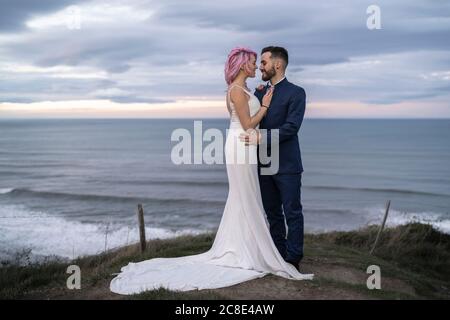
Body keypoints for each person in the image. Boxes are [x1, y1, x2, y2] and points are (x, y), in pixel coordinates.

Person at [109, 46, 312, 295]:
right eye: (256, 63)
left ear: (277, 65)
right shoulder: (257, 91)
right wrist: (262, 111)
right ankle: (276, 254)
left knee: (292, 210)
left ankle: (292, 259)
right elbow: (248, 120)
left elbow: (291, 128)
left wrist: (260, 135)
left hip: (285, 162)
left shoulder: (296, 93)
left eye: (263, 63)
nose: (259, 67)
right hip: (257, 158)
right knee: (271, 211)